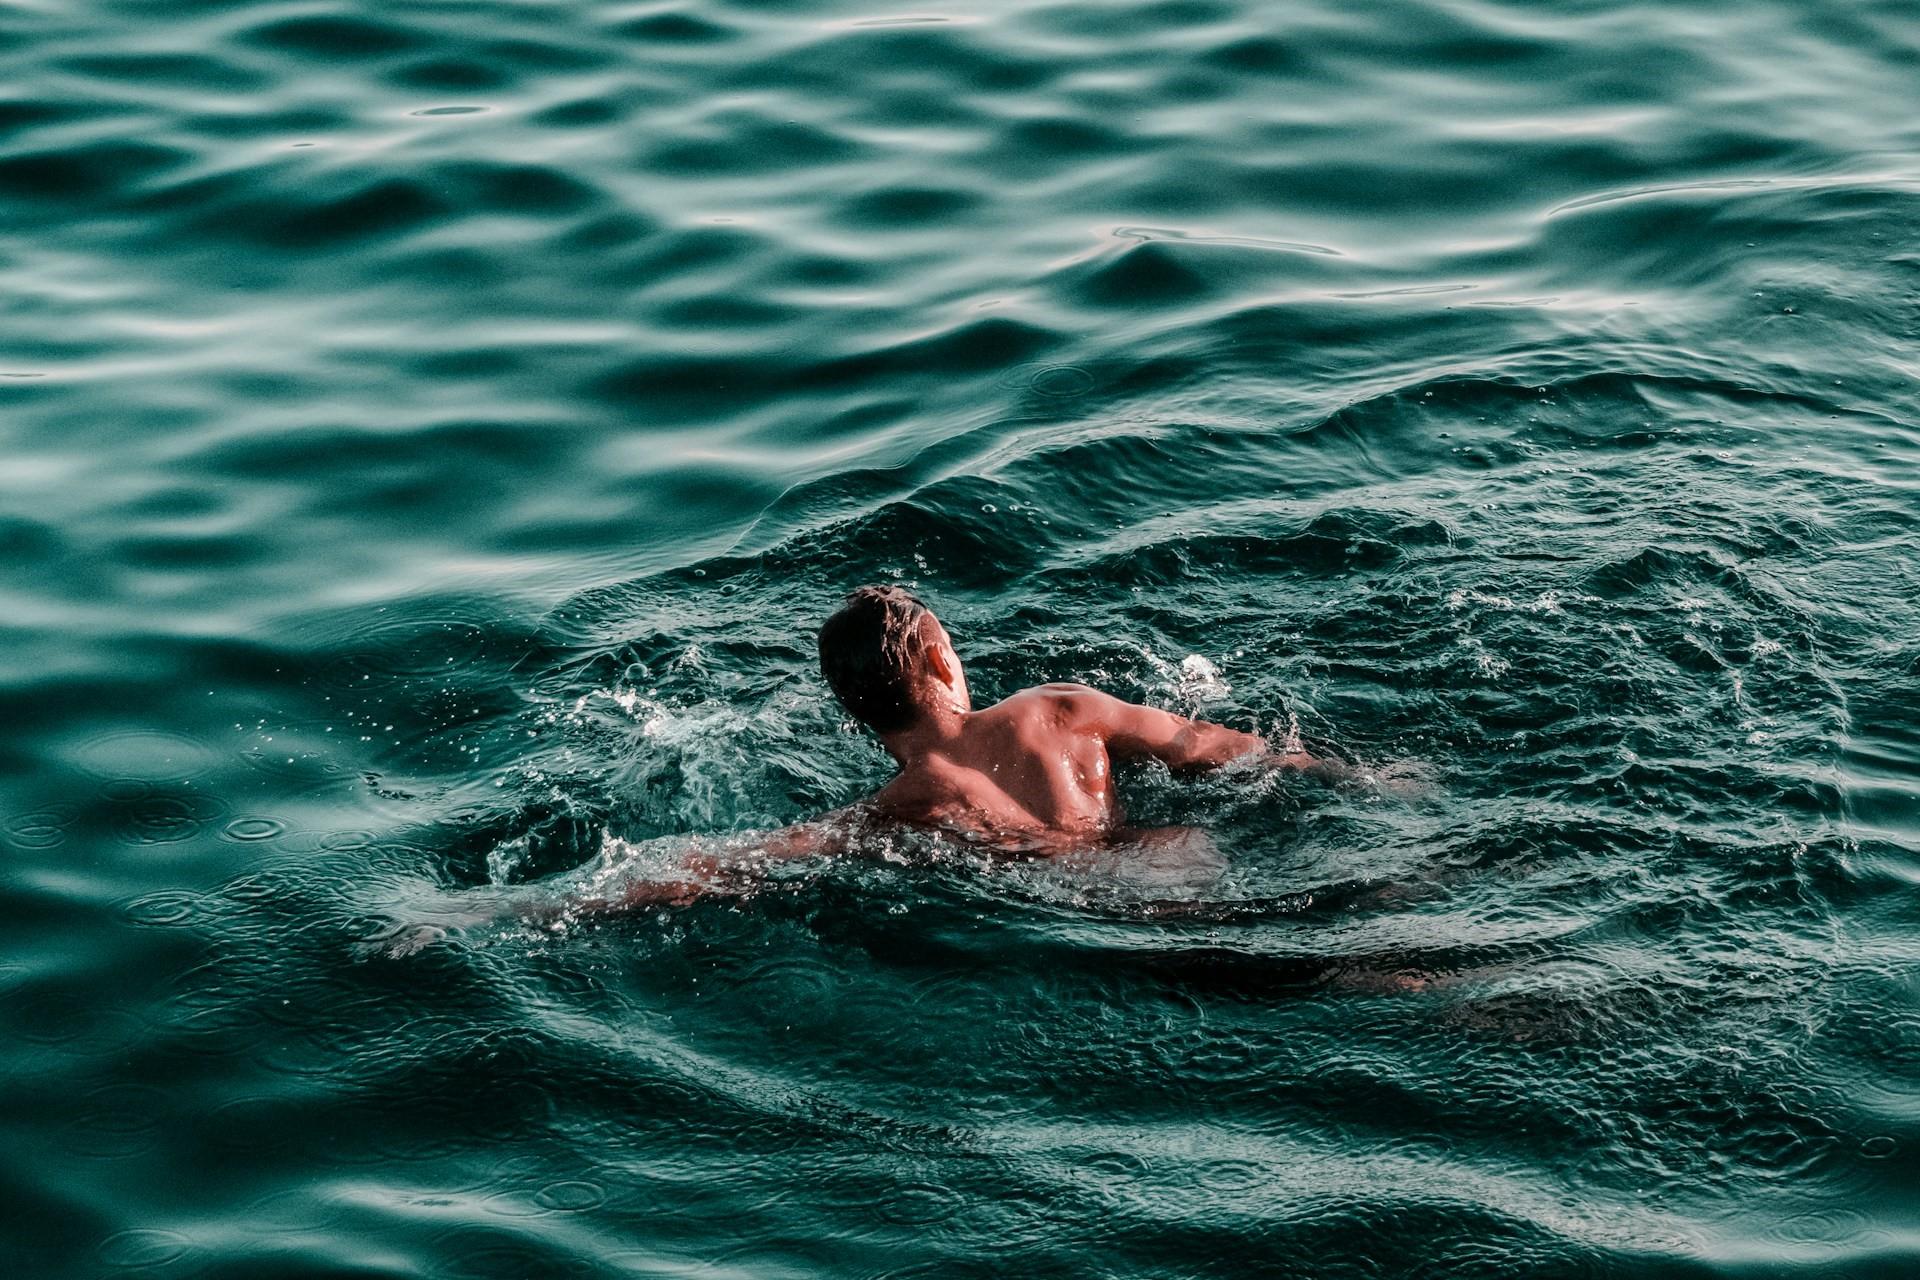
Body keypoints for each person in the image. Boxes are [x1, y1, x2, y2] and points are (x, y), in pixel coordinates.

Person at [542, 585, 1353, 916]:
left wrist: (529, 906)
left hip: (1098, 908)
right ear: (941, 663)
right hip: (1178, 857)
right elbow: (1209, 745)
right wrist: (1351, 775)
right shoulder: (1058, 708)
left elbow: (722, 863)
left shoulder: (907, 806)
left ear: (856, 715)